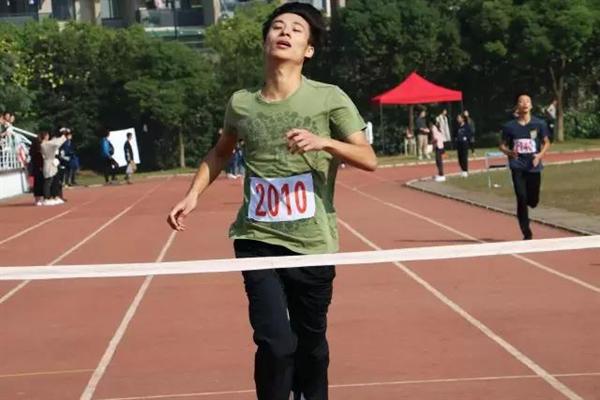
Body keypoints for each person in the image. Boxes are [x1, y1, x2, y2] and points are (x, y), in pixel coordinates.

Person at [167, 3, 377, 399]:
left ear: (308, 49)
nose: (285, 32)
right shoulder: (241, 103)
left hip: (312, 242)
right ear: (265, 41)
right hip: (257, 238)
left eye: (296, 29)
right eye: (277, 27)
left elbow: (368, 158)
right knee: (275, 343)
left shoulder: (328, 98)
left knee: (310, 345)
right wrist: (192, 194)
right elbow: (221, 152)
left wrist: (324, 142)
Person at [500, 94, 551, 240]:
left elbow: (547, 142)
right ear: (517, 106)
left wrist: (539, 155)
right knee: (521, 197)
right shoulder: (510, 127)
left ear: (531, 105)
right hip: (517, 166)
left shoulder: (539, 124)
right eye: (521, 102)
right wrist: (509, 152)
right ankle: (526, 231)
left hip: (533, 166)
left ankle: (531, 202)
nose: (525, 104)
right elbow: (502, 145)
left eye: (528, 101)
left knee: (533, 201)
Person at [40, 130, 67, 205]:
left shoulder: (45, 143)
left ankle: (51, 197)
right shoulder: (45, 144)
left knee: (51, 181)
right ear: (45, 136)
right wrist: (63, 136)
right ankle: (46, 198)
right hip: (49, 162)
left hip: (50, 162)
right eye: (47, 135)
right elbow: (55, 143)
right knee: (48, 181)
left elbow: (55, 143)